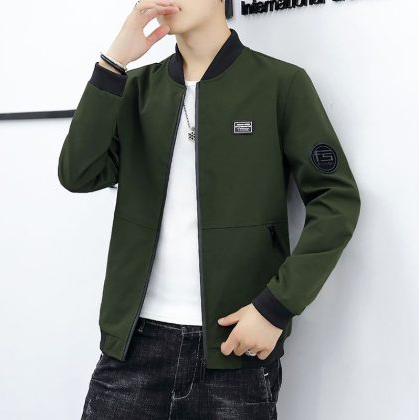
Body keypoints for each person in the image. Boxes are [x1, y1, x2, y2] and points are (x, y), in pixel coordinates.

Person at [58, 0, 361, 418]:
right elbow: (78, 173)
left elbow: (335, 199)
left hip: (235, 346)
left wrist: (275, 307)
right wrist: (113, 63)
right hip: (133, 346)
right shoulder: (136, 89)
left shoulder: (280, 84)